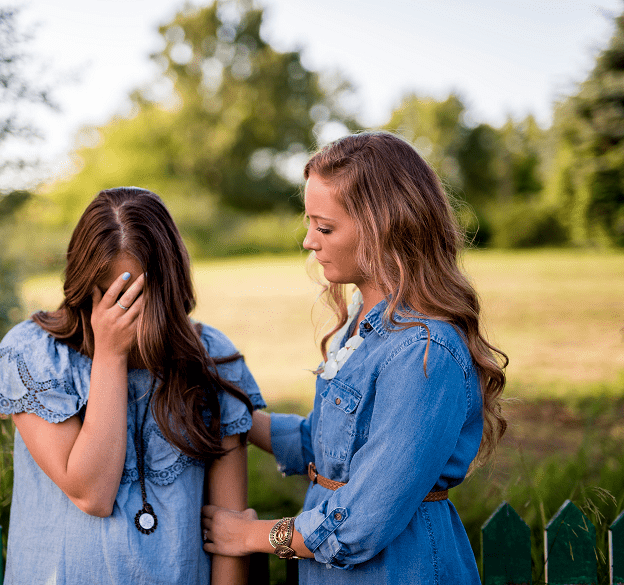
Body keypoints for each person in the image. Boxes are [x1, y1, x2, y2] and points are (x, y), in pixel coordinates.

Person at [201, 132, 507, 583]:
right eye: (309, 224)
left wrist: (251, 536)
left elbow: (364, 519)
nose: (309, 241)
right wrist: (234, 413)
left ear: (384, 228)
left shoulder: (424, 354)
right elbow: (330, 447)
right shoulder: (365, 324)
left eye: (324, 227)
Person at [0, 187, 264, 585]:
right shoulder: (35, 355)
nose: (126, 314)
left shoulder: (211, 358)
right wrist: (110, 358)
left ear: (169, 286)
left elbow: (229, 535)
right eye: (113, 296)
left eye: (139, 296)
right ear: (83, 287)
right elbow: (91, 494)